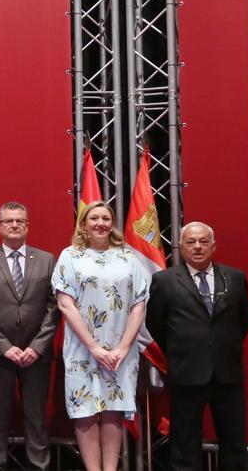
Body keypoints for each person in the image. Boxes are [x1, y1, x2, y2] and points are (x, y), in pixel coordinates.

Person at [52, 200, 149, 471]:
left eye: (105, 218)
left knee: (113, 412)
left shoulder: (128, 257)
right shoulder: (69, 256)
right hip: (83, 349)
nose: (100, 223)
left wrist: (122, 348)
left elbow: (139, 305)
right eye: (94, 218)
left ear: (112, 223)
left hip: (121, 350)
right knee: (84, 413)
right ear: (84, 224)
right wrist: (94, 347)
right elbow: (65, 304)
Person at [147, 222, 248, 471]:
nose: (197, 247)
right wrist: (184, 348)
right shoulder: (165, 281)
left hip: (227, 372)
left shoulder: (235, 278)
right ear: (181, 247)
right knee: (184, 444)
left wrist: (220, 346)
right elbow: (156, 324)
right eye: (191, 242)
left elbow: (244, 321)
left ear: (213, 246)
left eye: (203, 242)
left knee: (234, 443)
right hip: (187, 373)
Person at [0, 202, 59, 471]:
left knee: (36, 418)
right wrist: (4, 347)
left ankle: (38, 467)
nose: (14, 225)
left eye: (20, 220)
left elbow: (55, 307)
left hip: (37, 355)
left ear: (27, 225)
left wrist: (37, 346)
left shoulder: (46, 260)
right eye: (8, 221)